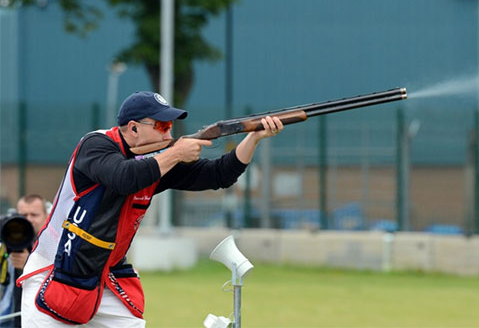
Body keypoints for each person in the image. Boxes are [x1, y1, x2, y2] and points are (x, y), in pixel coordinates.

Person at [18, 91, 283, 327]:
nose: (169, 133)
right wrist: (176, 153)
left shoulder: (158, 160)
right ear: (133, 128)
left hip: (104, 274)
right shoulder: (95, 145)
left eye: (171, 125)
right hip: (55, 271)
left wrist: (254, 138)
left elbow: (218, 175)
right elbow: (123, 177)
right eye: (162, 125)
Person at [0, 194, 48, 327]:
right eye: (23, 215)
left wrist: (30, 265)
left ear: (46, 216)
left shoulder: (54, 245)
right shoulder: (6, 238)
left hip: (38, 317)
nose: (29, 220)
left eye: (34, 215)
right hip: (7, 316)